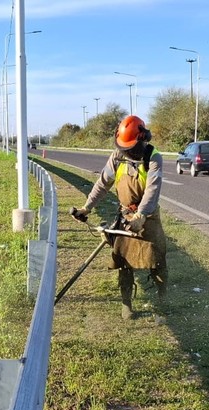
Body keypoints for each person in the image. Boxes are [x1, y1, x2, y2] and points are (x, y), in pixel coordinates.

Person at [72, 115, 168, 320]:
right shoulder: (117, 156)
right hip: (125, 215)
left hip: (148, 216)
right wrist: (86, 208)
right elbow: (103, 183)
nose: (127, 152)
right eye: (124, 148)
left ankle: (162, 301)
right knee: (123, 261)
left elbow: (152, 190)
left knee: (157, 259)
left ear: (143, 139)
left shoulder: (153, 157)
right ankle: (127, 305)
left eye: (131, 148)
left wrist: (141, 215)